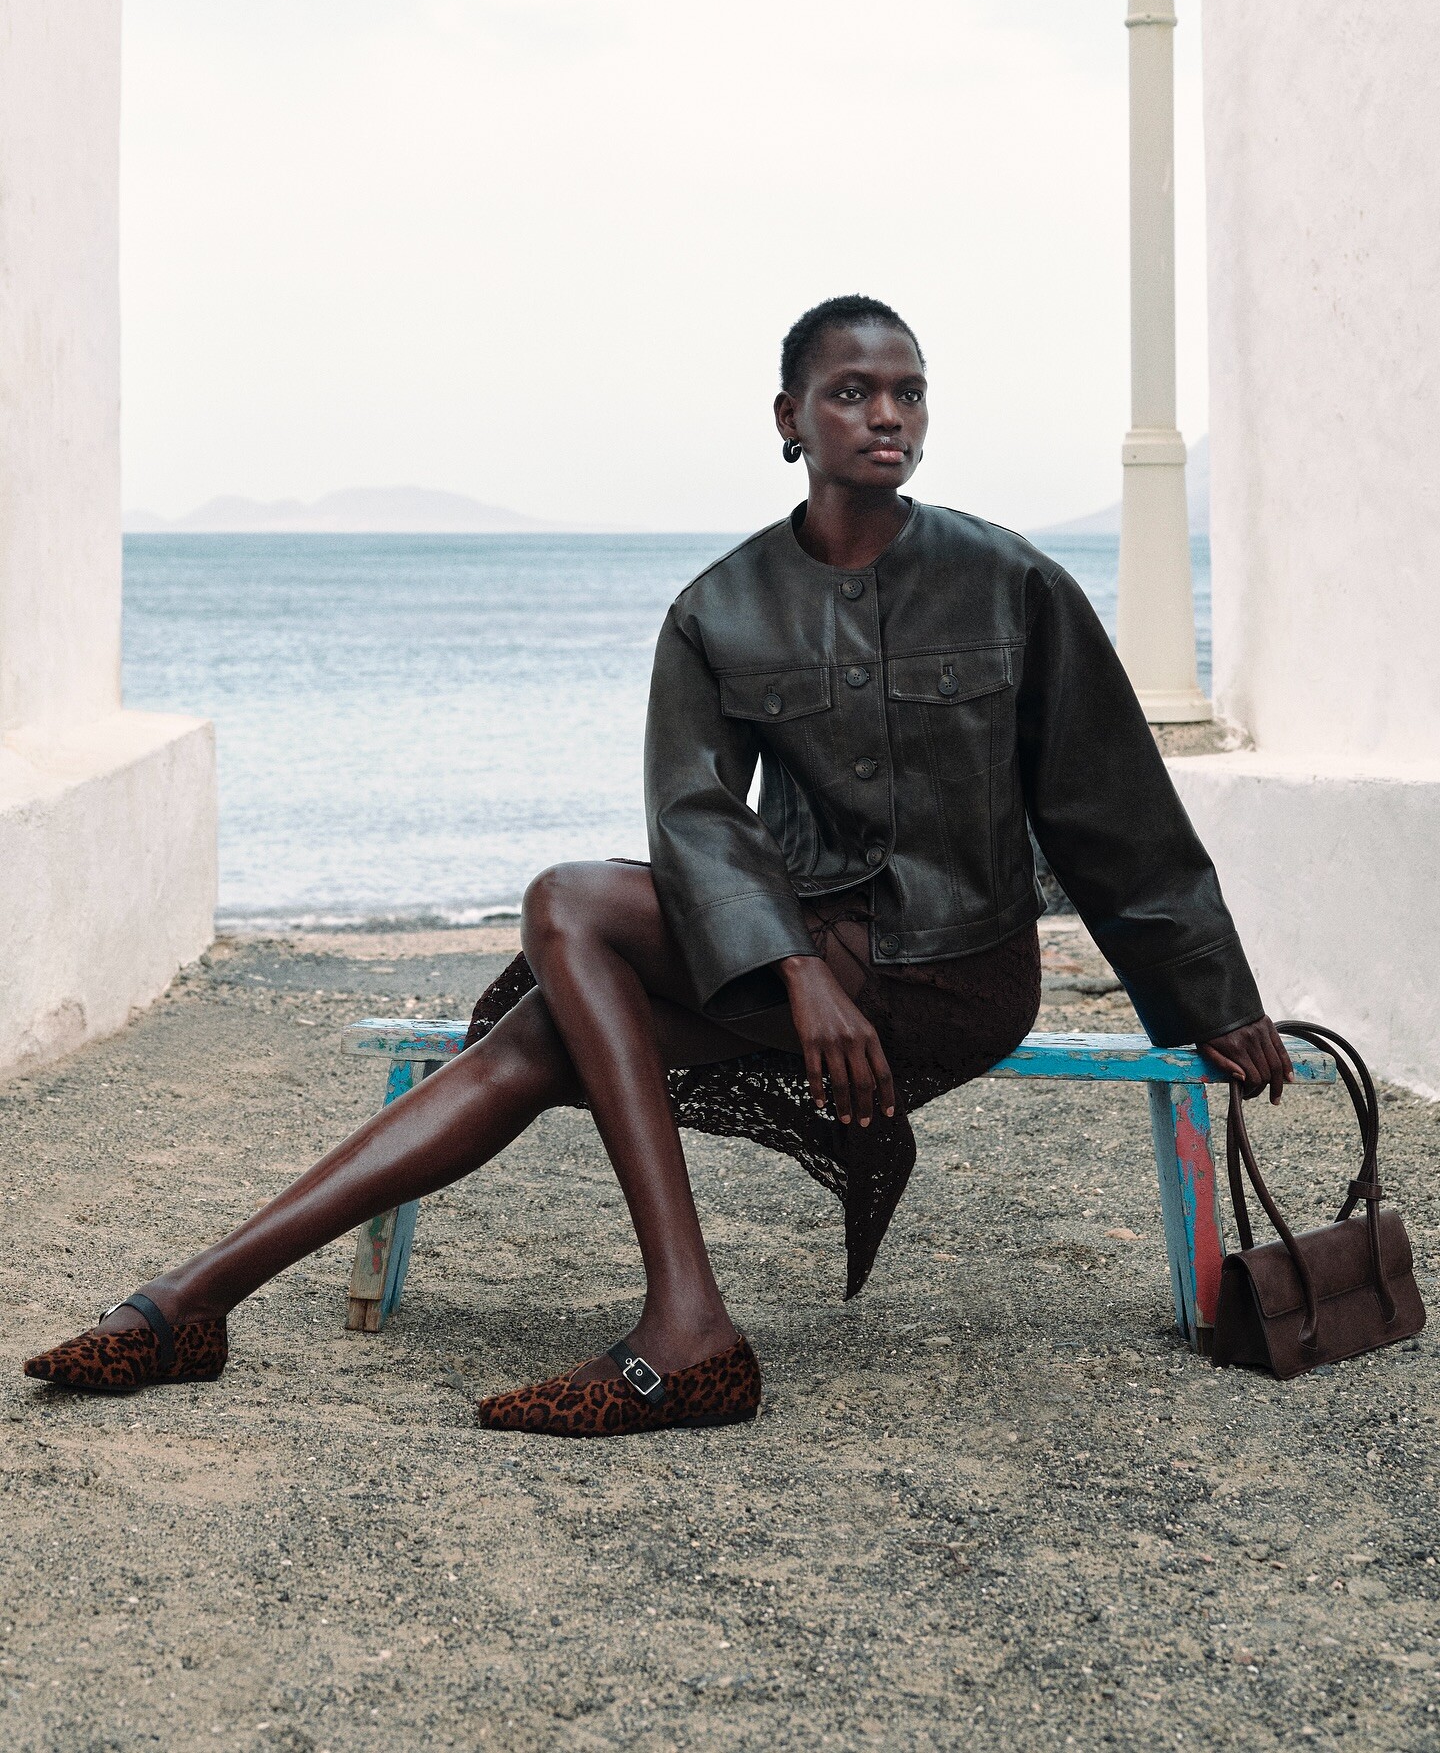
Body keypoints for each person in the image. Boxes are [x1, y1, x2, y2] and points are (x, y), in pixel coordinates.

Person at [24, 295, 1291, 1435]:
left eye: (908, 392)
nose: (886, 416)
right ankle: (199, 1300)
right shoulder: (720, 607)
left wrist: (1213, 997)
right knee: (539, 1030)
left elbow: (1110, 808)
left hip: (957, 974)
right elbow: (695, 820)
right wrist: (797, 970)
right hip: (804, 970)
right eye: (851, 392)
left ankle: (679, 1320)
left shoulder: (1009, 580)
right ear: (789, 419)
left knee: (566, 907)